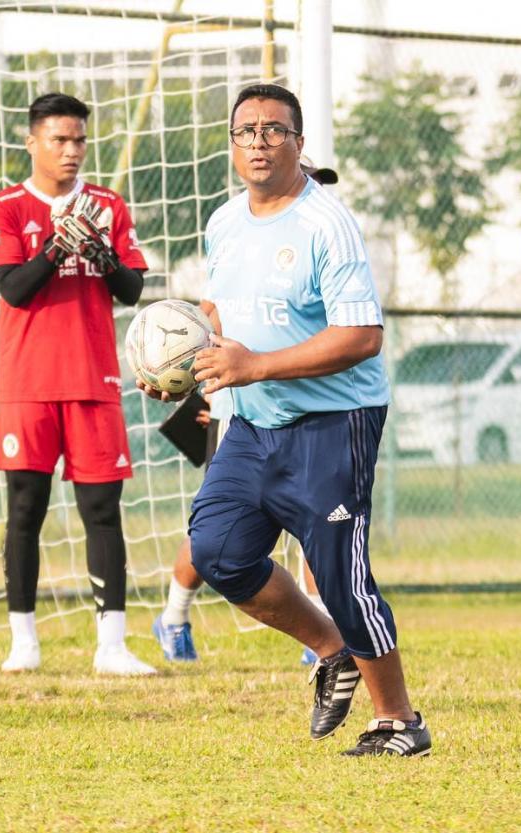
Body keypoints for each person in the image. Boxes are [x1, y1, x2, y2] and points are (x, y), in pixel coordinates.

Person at [139, 84, 430, 756]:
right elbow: (223, 312)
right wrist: (178, 361)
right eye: (246, 130)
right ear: (232, 145)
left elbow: (362, 336)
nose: (260, 141)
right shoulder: (224, 222)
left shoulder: (326, 222)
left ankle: (400, 721)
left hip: (334, 420)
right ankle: (334, 651)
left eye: (275, 129)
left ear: (299, 143)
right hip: (254, 422)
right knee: (218, 549)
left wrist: (256, 365)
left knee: (338, 575)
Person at [0, 93, 154, 676]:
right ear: (32, 143)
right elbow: (14, 289)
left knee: (102, 509)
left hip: (94, 378)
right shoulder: (3, 207)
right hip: (28, 382)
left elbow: (131, 290)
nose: (71, 150)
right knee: (25, 508)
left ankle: (112, 646)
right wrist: (57, 245)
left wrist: (99, 251)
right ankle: (23, 641)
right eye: (59, 139)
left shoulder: (107, 205)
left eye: (79, 139)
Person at [152, 162, 335, 665]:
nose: (312, 192)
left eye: (317, 182)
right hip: (240, 411)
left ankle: (318, 631)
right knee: (214, 536)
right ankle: (173, 616)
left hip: (307, 414)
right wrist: (190, 374)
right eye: (309, 180)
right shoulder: (238, 241)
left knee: (316, 526)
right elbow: (207, 314)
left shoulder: (328, 243)